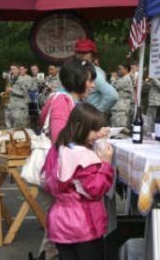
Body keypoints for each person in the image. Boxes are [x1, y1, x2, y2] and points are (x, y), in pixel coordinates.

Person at [34, 58, 108, 260]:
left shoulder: (65, 99)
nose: (92, 85)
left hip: (58, 174)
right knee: (64, 234)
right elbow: (63, 142)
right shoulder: (62, 101)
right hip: (61, 175)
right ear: (79, 78)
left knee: (57, 234)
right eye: (90, 80)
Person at [43, 103, 114, 260]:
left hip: (60, 222)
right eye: (94, 130)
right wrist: (106, 165)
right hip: (84, 224)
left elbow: (47, 179)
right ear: (81, 127)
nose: (97, 134)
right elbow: (96, 189)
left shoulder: (59, 148)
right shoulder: (84, 158)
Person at [74, 39, 118, 113]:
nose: (81, 55)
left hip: (88, 119)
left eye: (85, 52)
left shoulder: (94, 73)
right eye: (78, 52)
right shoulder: (79, 69)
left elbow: (112, 96)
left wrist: (96, 112)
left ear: (92, 55)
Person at [110, 63, 134, 128]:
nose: (118, 70)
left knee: (119, 128)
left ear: (126, 70)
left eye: (120, 69)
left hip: (121, 108)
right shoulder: (123, 78)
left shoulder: (125, 79)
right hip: (119, 107)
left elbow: (112, 88)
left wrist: (113, 78)